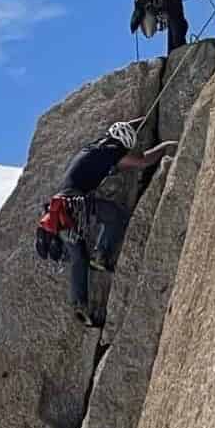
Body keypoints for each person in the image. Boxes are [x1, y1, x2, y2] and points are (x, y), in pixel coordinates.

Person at [60, 120, 176, 327]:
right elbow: (142, 161)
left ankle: (79, 304)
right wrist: (165, 145)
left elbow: (122, 128)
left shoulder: (95, 147)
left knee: (78, 256)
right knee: (117, 215)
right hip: (76, 205)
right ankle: (101, 254)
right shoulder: (111, 151)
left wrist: (141, 120)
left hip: (60, 209)